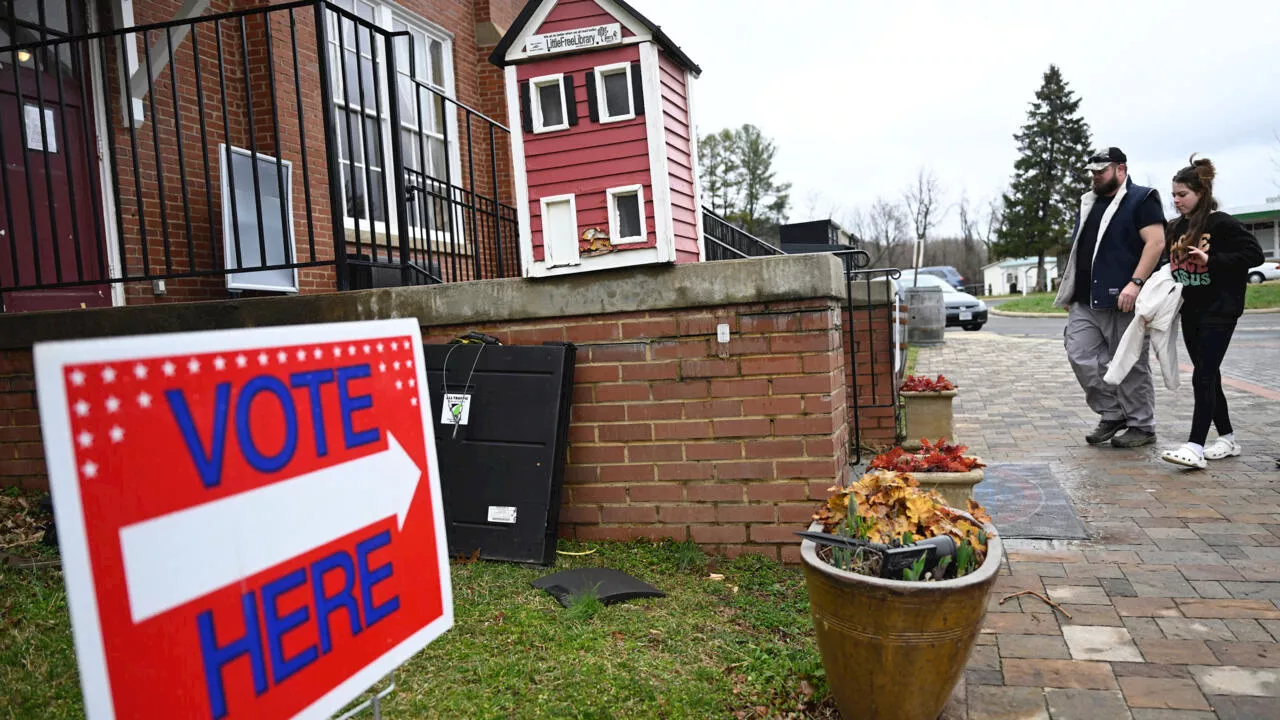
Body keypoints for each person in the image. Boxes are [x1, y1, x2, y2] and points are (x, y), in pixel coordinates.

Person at [1054, 147, 1168, 447]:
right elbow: (1083, 248)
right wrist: (1071, 287)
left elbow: (1155, 243)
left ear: (1121, 169)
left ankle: (1142, 425)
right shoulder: (1089, 202)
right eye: (1093, 171)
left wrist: (1136, 283)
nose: (1095, 176)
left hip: (1124, 297)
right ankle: (1113, 413)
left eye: (1101, 171)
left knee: (1129, 362)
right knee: (1080, 355)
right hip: (1085, 297)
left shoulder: (1142, 198)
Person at [1159, 156, 1264, 469]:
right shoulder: (1176, 226)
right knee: (1209, 376)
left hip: (1221, 309)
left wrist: (1212, 259)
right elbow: (1168, 264)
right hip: (1189, 309)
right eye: (1174, 195)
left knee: (1203, 375)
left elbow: (1254, 254)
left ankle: (1195, 446)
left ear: (1200, 193)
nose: (1176, 200)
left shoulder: (1221, 223)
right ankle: (1228, 439)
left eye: (1182, 195)